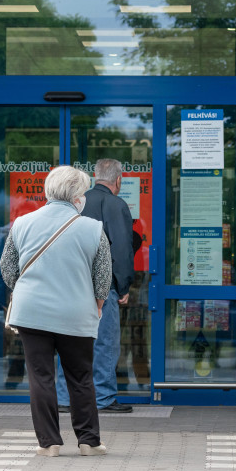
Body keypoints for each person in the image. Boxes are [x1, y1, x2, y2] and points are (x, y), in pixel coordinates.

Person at [0, 165, 112, 457]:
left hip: (32, 313)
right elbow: (103, 279)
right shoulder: (93, 228)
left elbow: (7, 268)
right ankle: (89, 441)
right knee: (80, 377)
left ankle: (49, 443)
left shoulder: (22, 223)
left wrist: (26, 290)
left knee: (41, 377)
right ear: (77, 196)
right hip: (76, 313)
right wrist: (97, 306)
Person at [56, 159, 134, 414]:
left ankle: (64, 398)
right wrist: (123, 286)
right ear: (118, 180)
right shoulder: (116, 204)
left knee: (66, 340)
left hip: (68, 283)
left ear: (94, 176)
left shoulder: (75, 203)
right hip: (102, 286)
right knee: (104, 342)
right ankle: (103, 397)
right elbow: (121, 250)